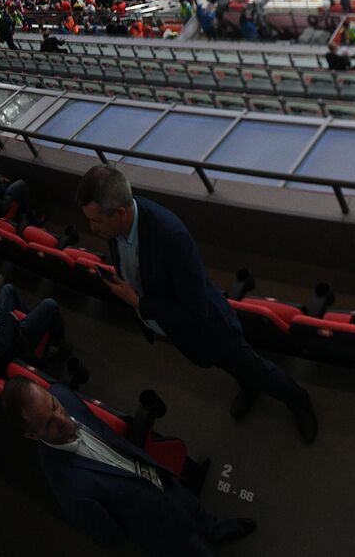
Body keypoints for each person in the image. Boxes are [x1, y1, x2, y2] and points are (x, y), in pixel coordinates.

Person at [75, 166, 317, 443]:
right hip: (178, 328)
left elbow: (195, 310)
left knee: (254, 367)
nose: (92, 229)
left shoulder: (170, 237)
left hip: (210, 327)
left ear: (119, 213)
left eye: (96, 221)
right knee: (232, 367)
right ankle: (249, 387)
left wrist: (137, 302)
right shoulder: (118, 228)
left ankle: (297, 398)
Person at [3, 377, 257, 556]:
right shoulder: (69, 489)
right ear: (32, 436)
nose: (64, 420)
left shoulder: (63, 395)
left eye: (54, 406)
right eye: (49, 424)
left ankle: (215, 530)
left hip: (157, 476)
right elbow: (108, 536)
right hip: (158, 528)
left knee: (194, 507)